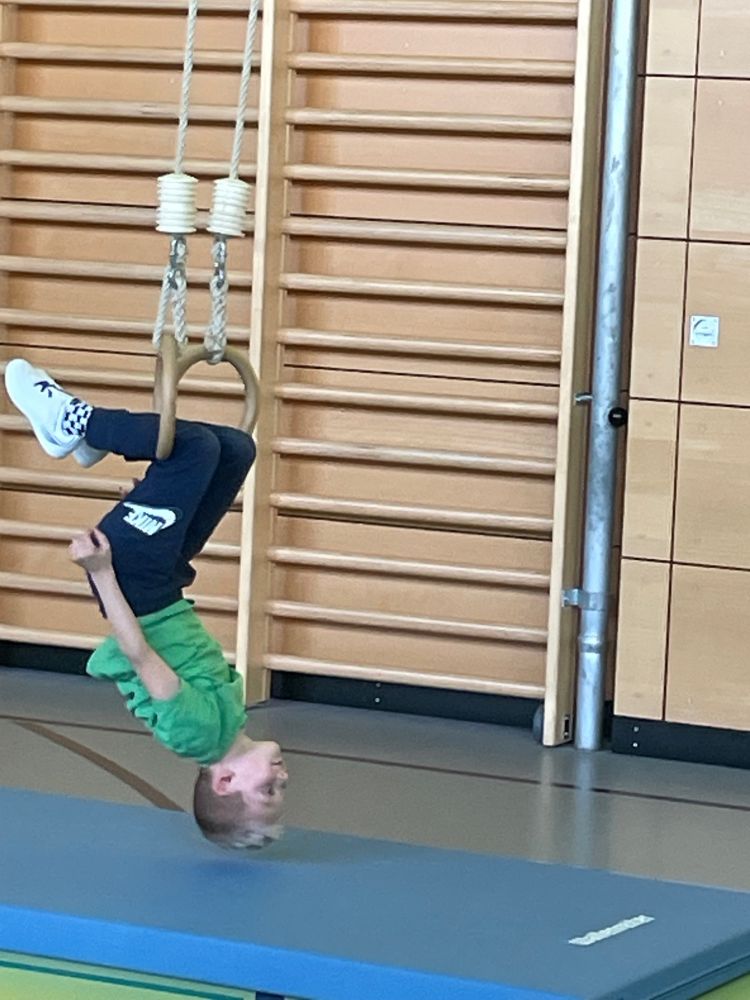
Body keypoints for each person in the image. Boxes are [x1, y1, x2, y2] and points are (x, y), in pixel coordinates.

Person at [4, 358, 288, 849]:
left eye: (267, 790)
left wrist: (101, 573)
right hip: (163, 577)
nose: (281, 778)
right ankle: (90, 443)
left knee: (194, 449)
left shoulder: (198, 735)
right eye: (281, 789)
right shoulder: (229, 723)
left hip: (132, 576)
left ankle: (71, 422)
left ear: (225, 782)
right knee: (234, 449)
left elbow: (137, 652)